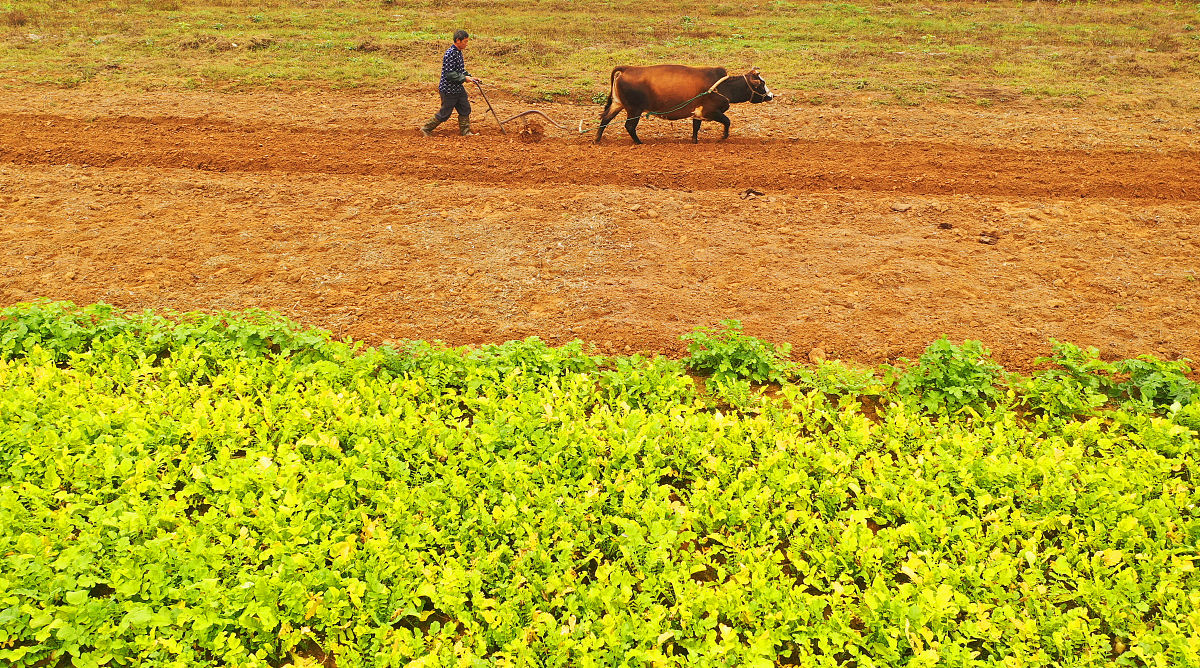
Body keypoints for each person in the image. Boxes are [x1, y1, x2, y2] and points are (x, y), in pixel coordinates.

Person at [420, 30, 482, 137]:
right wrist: (464, 78)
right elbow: (450, 74)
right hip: (448, 89)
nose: (466, 44)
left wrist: (470, 77)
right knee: (445, 114)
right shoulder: (450, 54)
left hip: (457, 88)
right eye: (465, 41)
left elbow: (460, 70)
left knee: (465, 108)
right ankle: (426, 128)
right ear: (458, 40)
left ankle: (465, 131)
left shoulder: (458, 52)